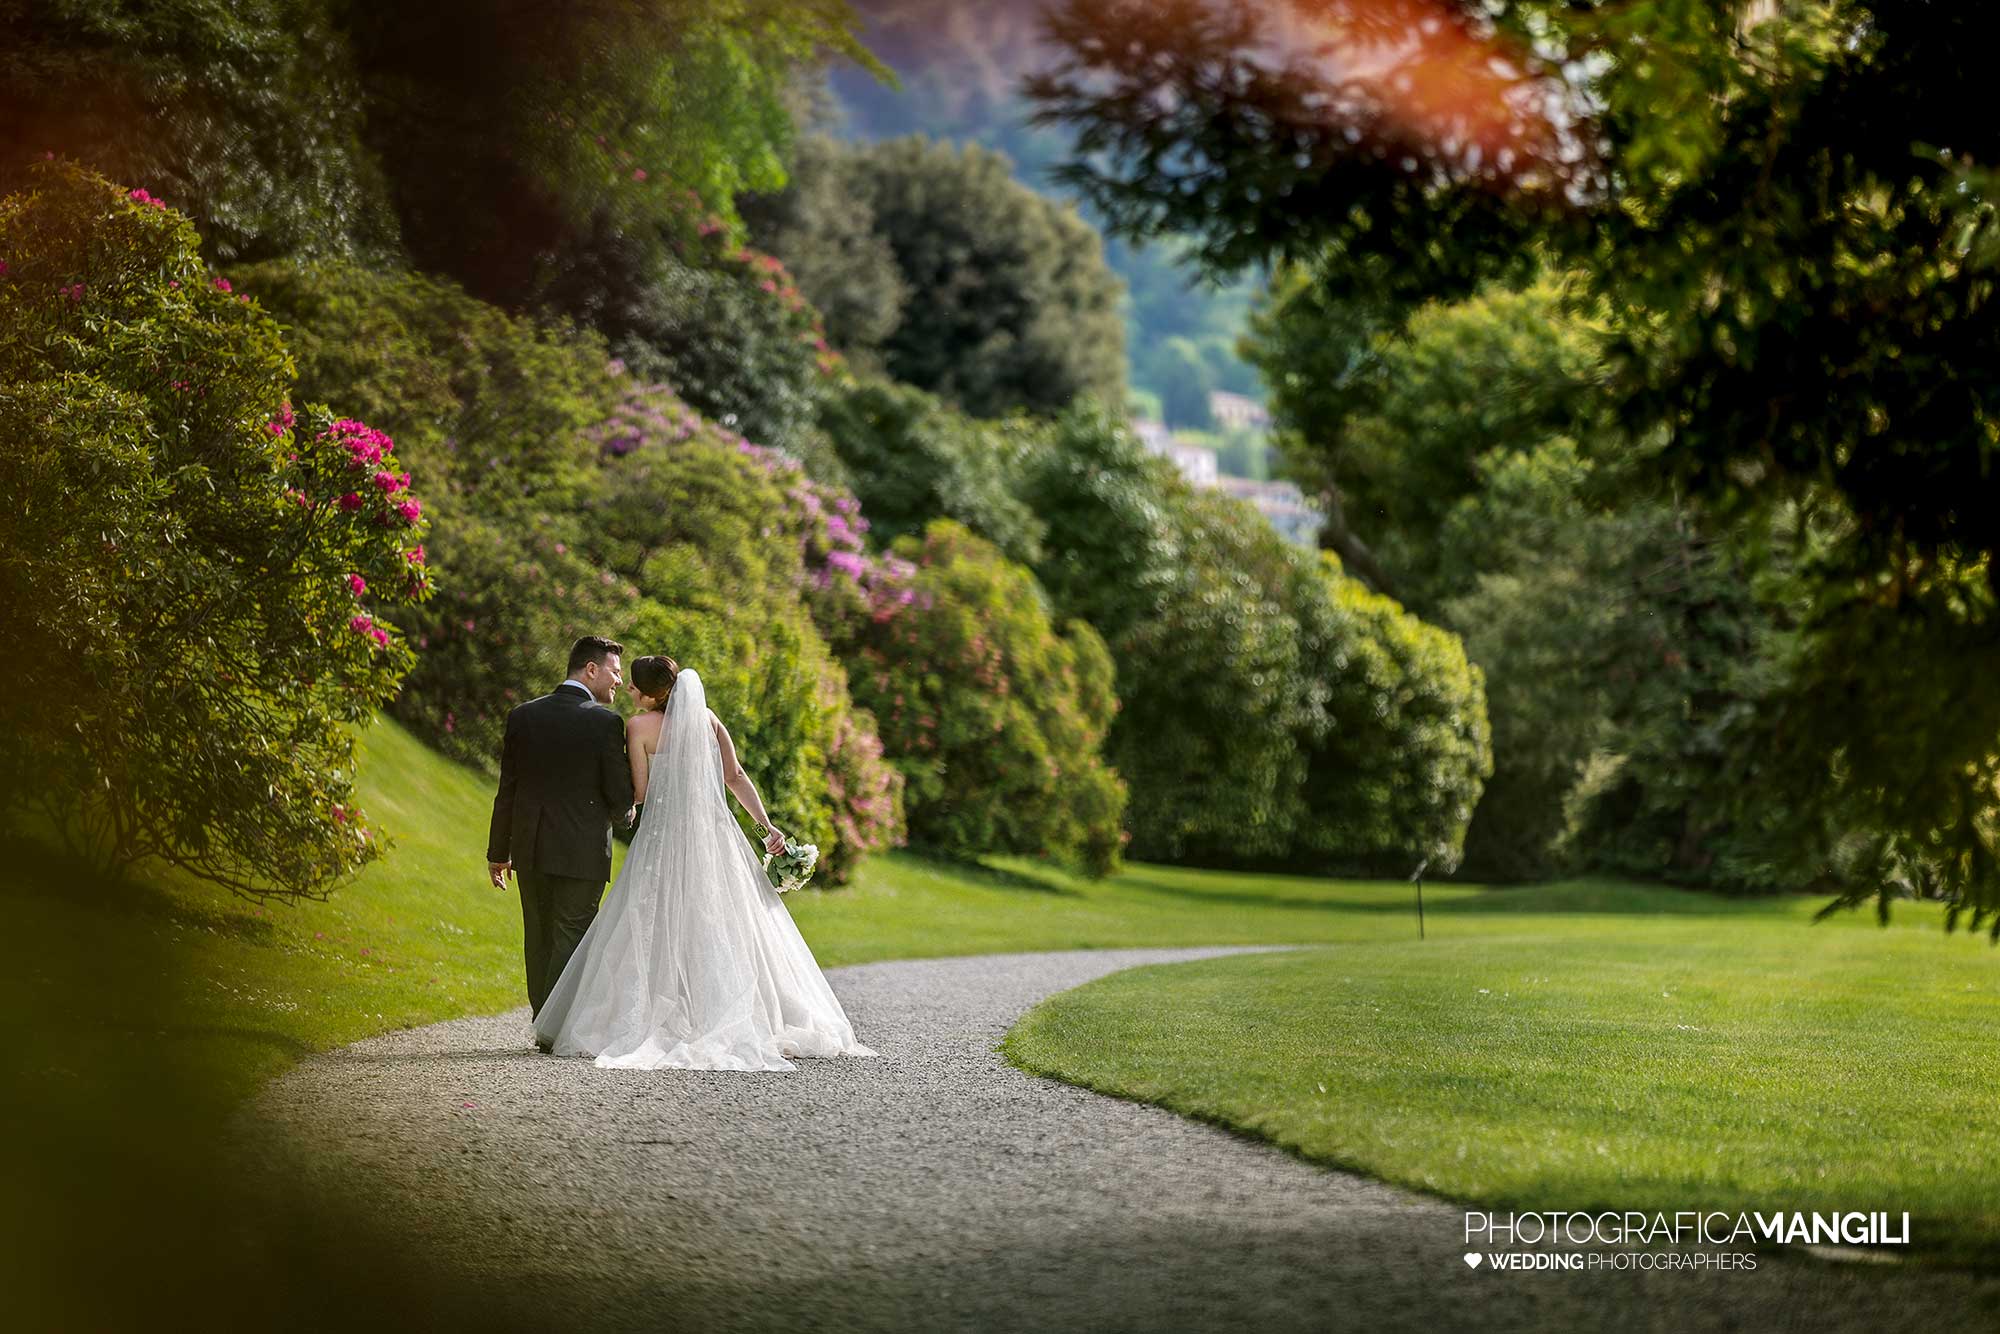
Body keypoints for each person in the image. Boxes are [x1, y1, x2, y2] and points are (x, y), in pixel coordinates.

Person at [532, 658, 875, 1071]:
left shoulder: (638, 727)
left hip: (662, 839)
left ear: (651, 695)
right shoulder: (707, 720)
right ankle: (726, 1010)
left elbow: (639, 793)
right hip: (713, 835)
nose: (630, 691)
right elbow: (735, 775)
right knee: (722, 920)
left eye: (635, 686)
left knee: (653, 921)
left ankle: (659, 1013)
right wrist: (766, 827)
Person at [486, 635, 633, 1049]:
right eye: (614, 672)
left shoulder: (523, 715)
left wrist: (498, 852)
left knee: (539, 935)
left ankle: (544, 1022)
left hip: (530, 848)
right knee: (572, 935)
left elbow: (507, 790)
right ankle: (554, 1028)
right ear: (591, 669)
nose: (618, 681)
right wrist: (626, 812)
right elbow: (618, 795)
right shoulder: (606, 723)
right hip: (582, 852)